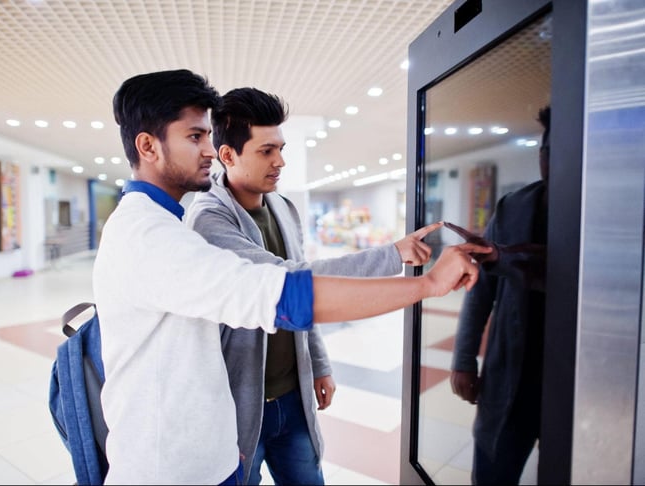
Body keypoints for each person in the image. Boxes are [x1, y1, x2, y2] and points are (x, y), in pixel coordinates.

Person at [94, 68, 489, 485]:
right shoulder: (155, 236)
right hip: (176, 464)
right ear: (148, 146)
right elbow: (284, 290)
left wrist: (317, 363)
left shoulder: (172, 224)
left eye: (208, 135)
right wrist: (426, 284)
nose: (209, 150)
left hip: (212, 448)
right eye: (196, 137)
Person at [185, 86, 442, 485]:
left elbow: (306, 303)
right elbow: (291, 283)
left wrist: (318, 365)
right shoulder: (208, 221)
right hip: (239, 405)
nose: (281, 161)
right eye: (266, 150)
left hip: (293, 396)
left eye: (281, 148)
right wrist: (394, 257)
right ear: (228, 155)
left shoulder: (284, 208)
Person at [449, 105, 551, 485]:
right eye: (549, 151)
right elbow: (481, 290)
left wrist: (502, 256)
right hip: (510, 372)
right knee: (492, 470)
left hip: (574, 381)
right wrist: (463, 360)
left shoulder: (608, 212)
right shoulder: (514, 206)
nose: (555, 162)